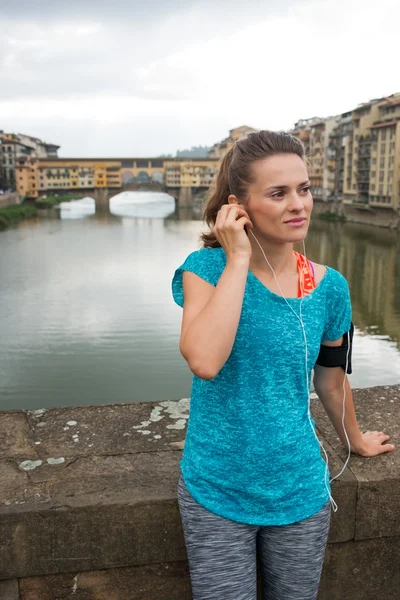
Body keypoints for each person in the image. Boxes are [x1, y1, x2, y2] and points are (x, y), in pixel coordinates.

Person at [171, 130, 395, 600]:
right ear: (239, 206)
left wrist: (355, 439)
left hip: (300, 491)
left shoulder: (329, 287)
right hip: (217, 491)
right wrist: (237, 260)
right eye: (278, 193)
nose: (299, 204)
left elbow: (331, 379)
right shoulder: (205, 270)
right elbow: (204, 360)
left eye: (304, 188)